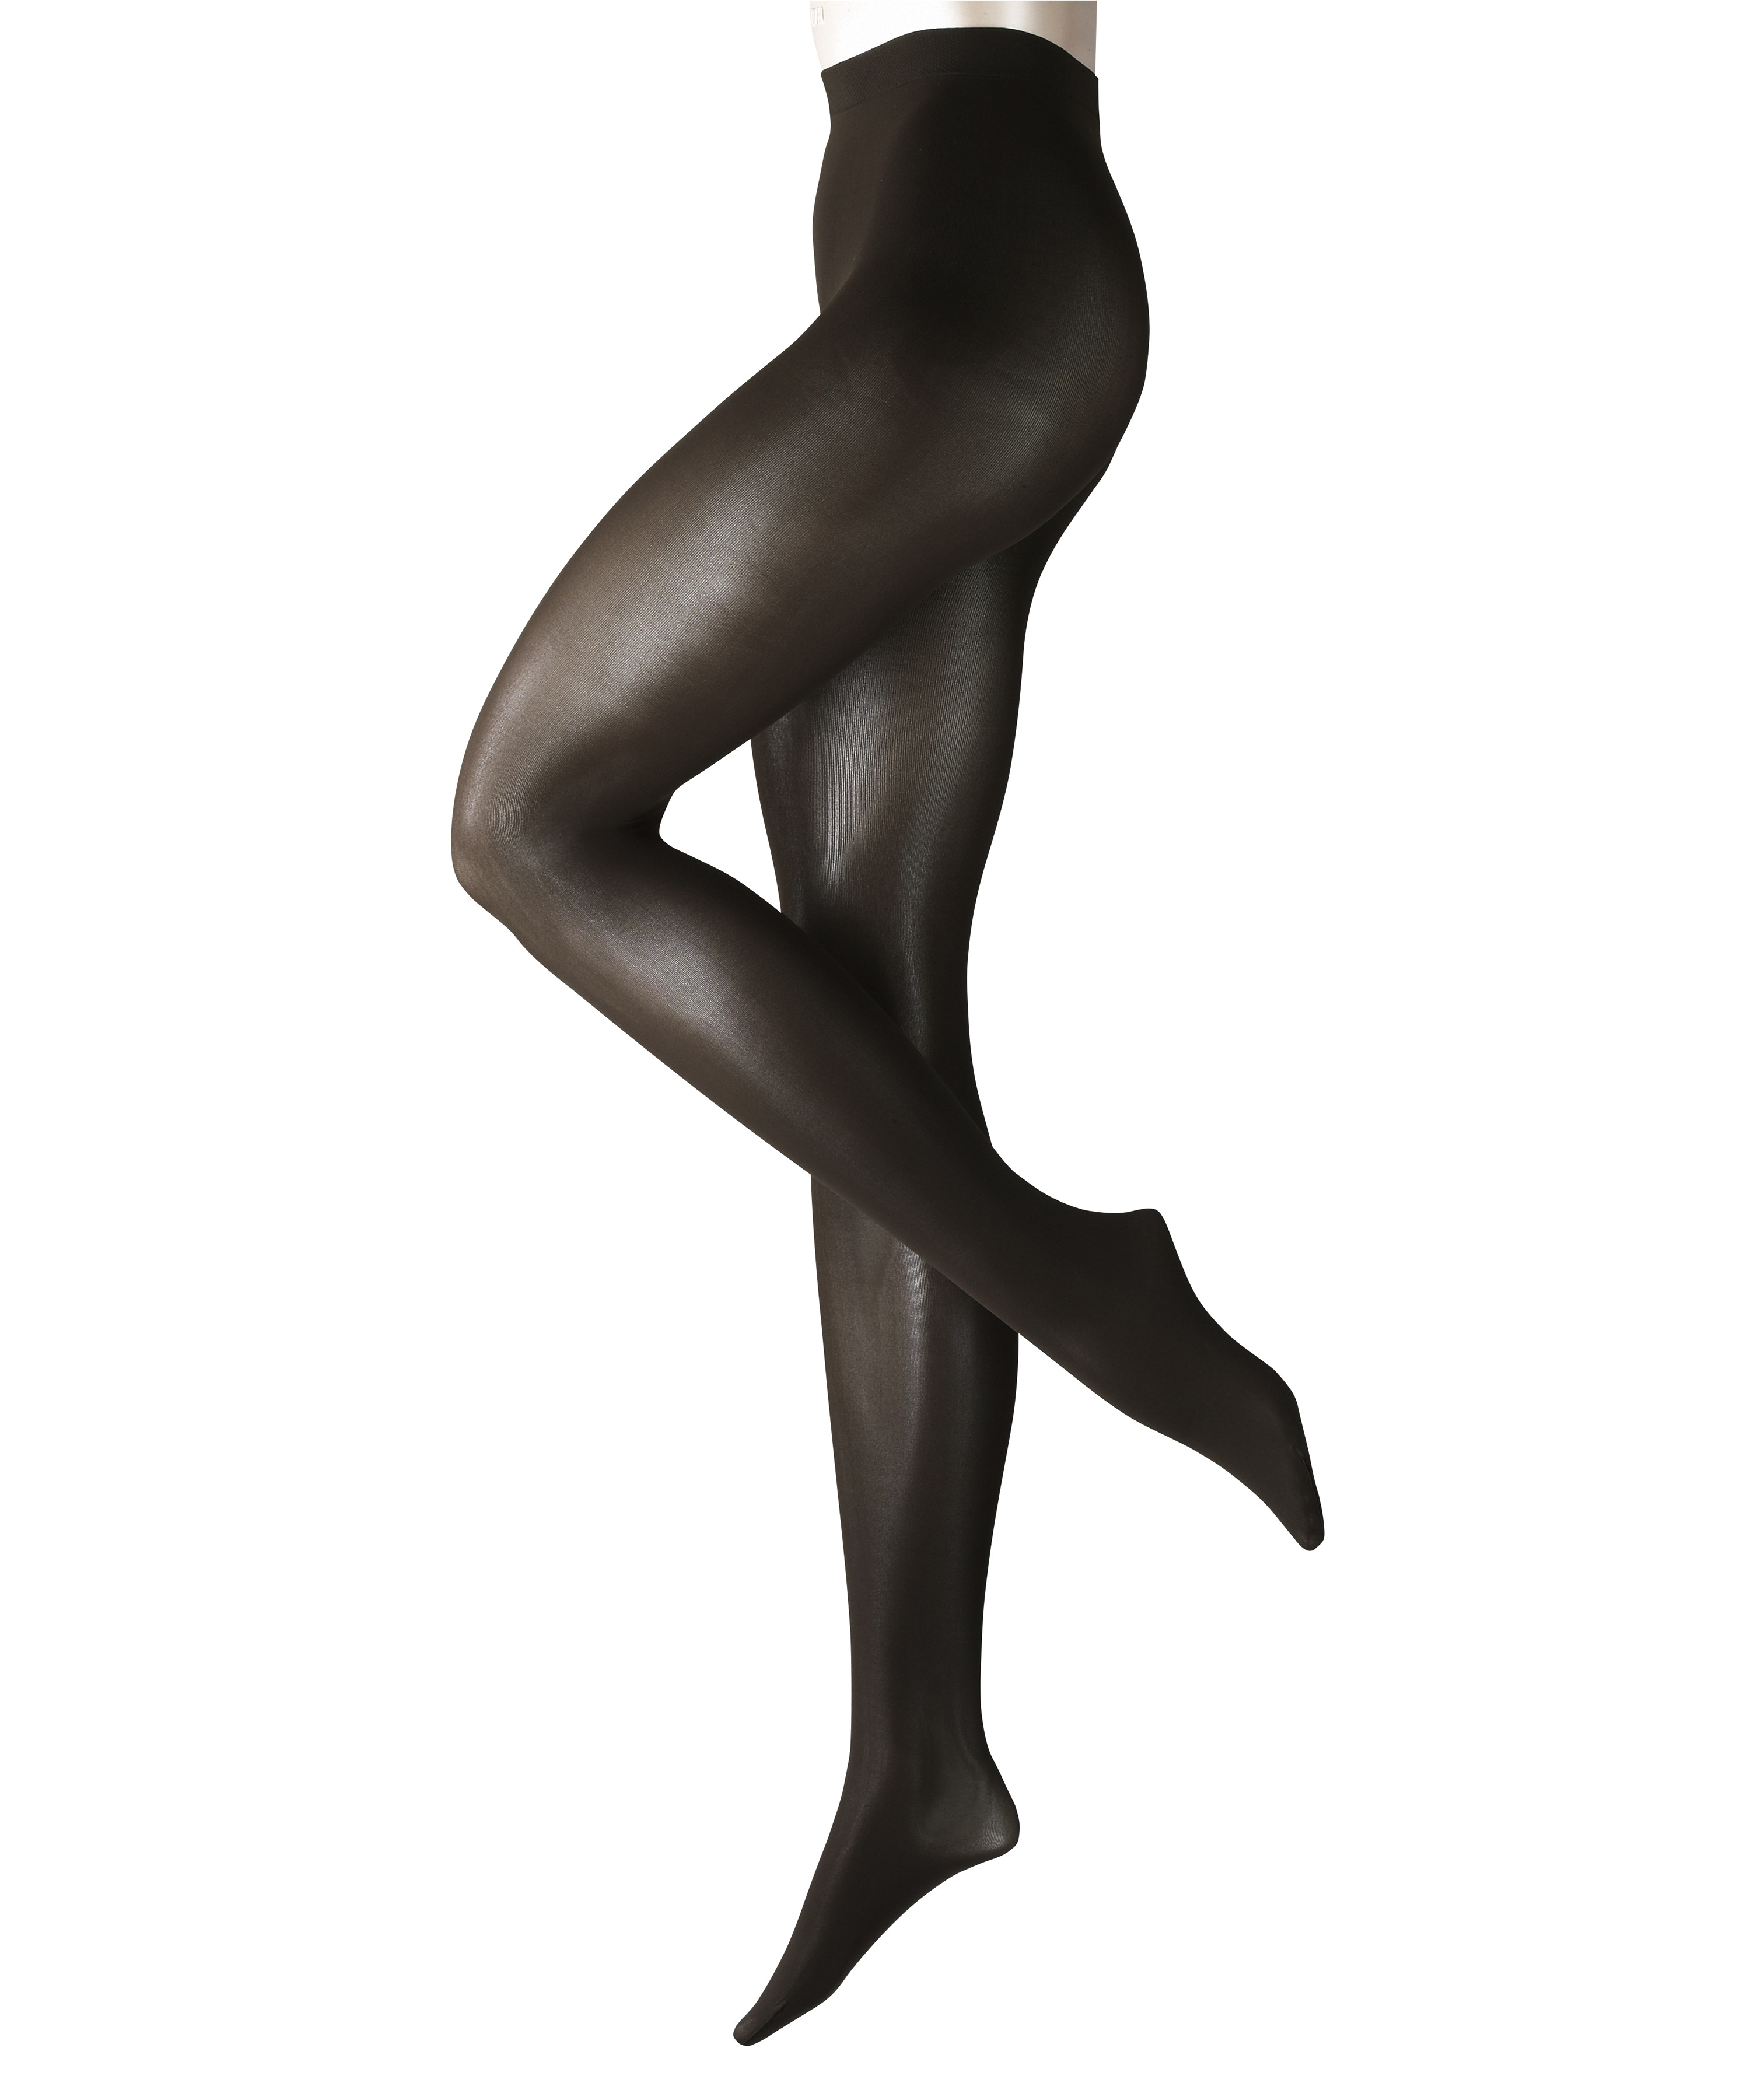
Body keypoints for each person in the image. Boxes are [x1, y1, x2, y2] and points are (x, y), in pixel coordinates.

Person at [452, 2, 1322, 2045]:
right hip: (933, 276)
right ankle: (922, 1754)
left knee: (523, 822)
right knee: (867, 1039)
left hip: (971, 299)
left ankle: (1097, 1295)